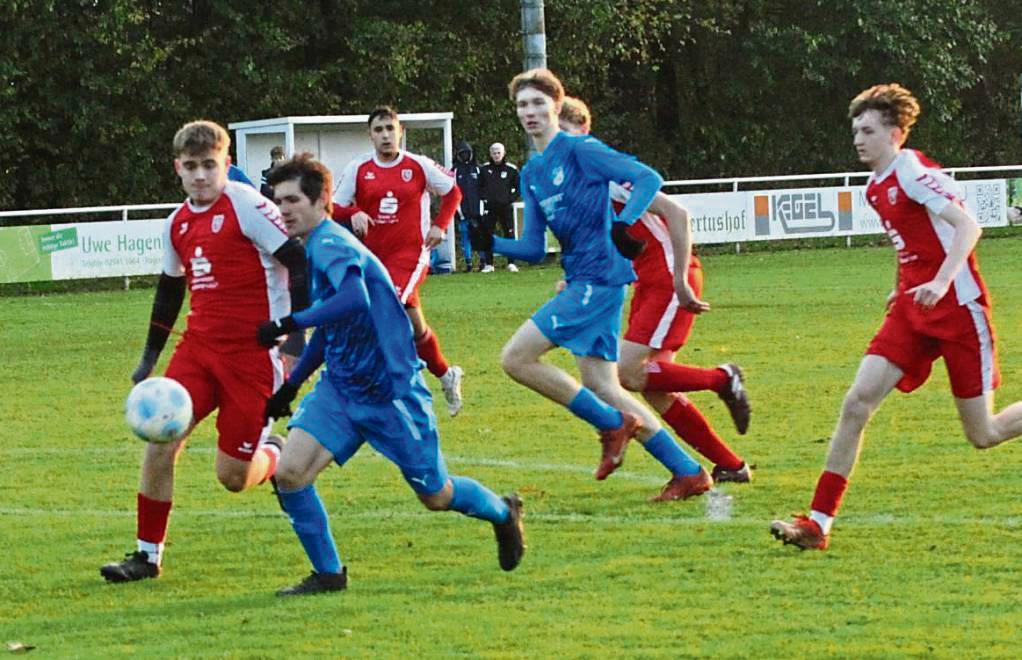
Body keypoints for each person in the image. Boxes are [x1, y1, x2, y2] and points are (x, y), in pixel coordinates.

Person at [258, 154, 525, 595]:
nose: (283, 209)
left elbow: (355, 300)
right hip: (342, 388)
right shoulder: (315, 247)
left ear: (322, 200)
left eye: (292, 200)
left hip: (391, 392)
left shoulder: (331, 245)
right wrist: (289, 386)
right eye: (278, 200)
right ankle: (328, 574)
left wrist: (290, 323)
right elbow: (331, 330)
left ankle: (502, 511)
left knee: (436, 495)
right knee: (290, 474)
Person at [770, 83, 1022, 550]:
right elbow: (910, 243)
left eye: (867, 130)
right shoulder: (875, 187)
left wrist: (942, 282)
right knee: (856, 403)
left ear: (896, 133)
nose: (857, 140)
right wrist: (900, 286)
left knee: (983, 433)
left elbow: (969, 227)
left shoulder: (912, 172)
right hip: (912, 310)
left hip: (957, 310)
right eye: (855, 131)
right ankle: (817, 524)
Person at [100, 120, 310, 582]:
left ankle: (275, 450)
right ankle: (146, 555)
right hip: (198, 351)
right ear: (178, 168)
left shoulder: (249, 206)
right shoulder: (176, 223)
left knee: (233, 477)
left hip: (255, 355)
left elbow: (298, 262)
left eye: (209, 165)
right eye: (191, 167)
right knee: (160, 440)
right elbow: (170, 290)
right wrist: (148, 358)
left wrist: (295, 339)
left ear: (226, 164)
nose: (200, 175)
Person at [490, 68, 710, 501]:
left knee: (516, 359)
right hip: (582, 279)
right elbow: (535, 248)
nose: (530, 112)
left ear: (557, 105)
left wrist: (624, 224)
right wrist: (490, 241)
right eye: (522, 105)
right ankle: (688, 471)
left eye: (538, 103)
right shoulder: (532, 172)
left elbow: (648, 179)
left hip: (599, 280)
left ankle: (612, 425)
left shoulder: (580, 150)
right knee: (604, 386)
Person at [559, 96, 754, 485]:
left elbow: (677, 214)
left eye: (564, 133)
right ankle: (732, 465)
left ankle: (722, 378)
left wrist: (680, 278)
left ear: (583, 131)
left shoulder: (610, 174)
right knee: (655, 388)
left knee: (628, 373)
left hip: (668, 280)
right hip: (648, 284)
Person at [333, 107, 465, 416]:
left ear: (400, 131)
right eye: (379, 130)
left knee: (384, 310)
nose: (385, 135)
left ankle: (394, 396)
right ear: (371, 135)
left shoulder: (418, 165)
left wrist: (440, 225)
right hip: (373, 257)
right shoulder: (359, 168)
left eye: (390, 129)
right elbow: (334, 205)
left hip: (411, 254)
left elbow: (453, 192)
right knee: (415, 327)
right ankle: (446, 374)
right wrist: (354, 213)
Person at [480, 142, 520, 272]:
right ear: (490, 154)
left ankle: (511, 263)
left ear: (503, 153)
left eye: (499, 153)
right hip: (489, 208)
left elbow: (519, 188)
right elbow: (479, 187)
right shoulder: (484, 170)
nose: (496, 155)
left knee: (509, 233)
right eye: (494, 153)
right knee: (487, 235)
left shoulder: (511, 169)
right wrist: (484, 200)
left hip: (505, 208)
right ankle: (489, 264)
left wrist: (510, 199)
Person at [452, 141, 484, 272]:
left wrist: (482, 208)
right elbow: (452, 190)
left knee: (480, 236)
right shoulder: (454, 170)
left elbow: (484, 189)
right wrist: (457, 210)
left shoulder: (478, 169)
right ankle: (469, 264)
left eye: (467, 153)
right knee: (465, 236)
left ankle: (483, 262)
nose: (465, 156)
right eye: (462, 153)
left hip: (477, 209)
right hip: (462, 210)